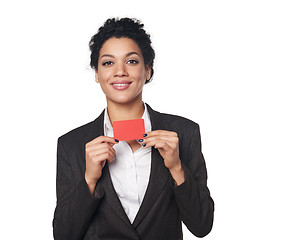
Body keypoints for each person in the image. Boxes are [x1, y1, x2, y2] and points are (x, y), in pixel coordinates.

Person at [53, 17, 214, 240]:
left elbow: (202, 225)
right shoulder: (71, 144)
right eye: (108, 63)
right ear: (97, 75)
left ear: (148, 70)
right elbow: (63, 235)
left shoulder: (184, 133)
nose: (120, 71)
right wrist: (89, 180)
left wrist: (176, 167)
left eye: (132, 61)